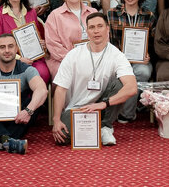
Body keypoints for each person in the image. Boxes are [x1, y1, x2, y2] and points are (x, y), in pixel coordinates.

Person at [50, 12, 137, 146]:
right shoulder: (73, 55)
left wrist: (104, 104)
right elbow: (60, 89)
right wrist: (56, 119)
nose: (96, 31)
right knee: (62, 138)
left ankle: (105, 126)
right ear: (86, 31)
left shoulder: (117, 55)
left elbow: (132, 88)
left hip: (102, 107)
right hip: (77, 109)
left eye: (100, 26)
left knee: (120, 85)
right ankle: (96, 129)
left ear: (107, 29)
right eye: (91, 27)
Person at [106, 0, 156, 120]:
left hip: (141, 61)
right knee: (118, 74)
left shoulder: (149, 16)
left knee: (143, 73)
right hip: (118, 59)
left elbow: (153, 42)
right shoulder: (111, 14)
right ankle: (121, 111)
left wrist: (148, 55)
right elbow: (107, 41)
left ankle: (126, 113)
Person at [0, 0, 51, 85]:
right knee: (22, 78)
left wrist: (40, 43)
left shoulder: (31, 12)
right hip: (9, 60)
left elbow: (36, 36)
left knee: (43, 74)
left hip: (33, 58)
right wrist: (18, 59)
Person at [45, 0, 93, 79]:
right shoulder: (55, 15)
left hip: (92, 58)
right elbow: (53, 45)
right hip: (63, 61)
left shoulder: (93, 12)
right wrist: (74, 60)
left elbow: (103, 37)